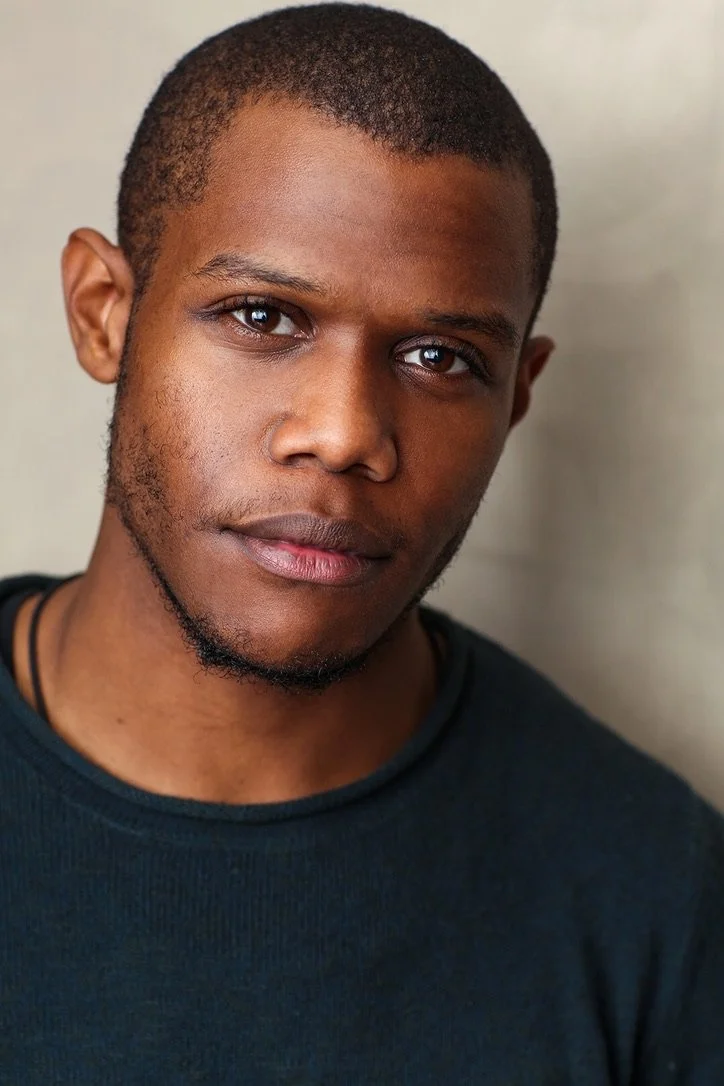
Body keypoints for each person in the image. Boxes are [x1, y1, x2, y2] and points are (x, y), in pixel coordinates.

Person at [1, 3, 722, 1082]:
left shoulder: (657, 901)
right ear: (105, 312)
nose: (343, 435)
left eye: (440, 357)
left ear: (516, 396)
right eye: (261, 318)